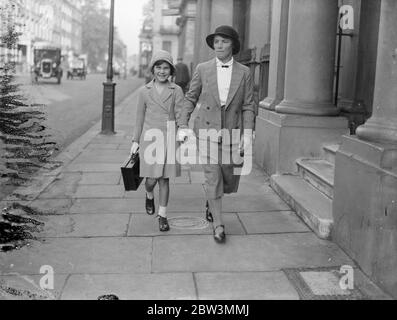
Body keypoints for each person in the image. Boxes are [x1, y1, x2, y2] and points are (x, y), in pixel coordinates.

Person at [177, 25, 256, 243]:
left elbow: (248, 105)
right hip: (206, 130)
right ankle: (218, 225)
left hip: (231, 131)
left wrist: (247, 135)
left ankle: (211, 200)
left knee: (228, 178)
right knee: (213, 177)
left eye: (224, 41)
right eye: (216, 42)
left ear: (233, 45)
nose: (219, 45)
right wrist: (183, 124)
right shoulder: (203, 69)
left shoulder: (245, 72)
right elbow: (191, 97)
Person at [130, 50, 184, 232]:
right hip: (150, 140)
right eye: (158, 67)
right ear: (153, 69)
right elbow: (139, 119)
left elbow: (180, 114)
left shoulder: (176, 90)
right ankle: (148, 193)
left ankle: (162, 216)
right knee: (151, 179)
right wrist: (135, 141)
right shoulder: (144, 92)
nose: (162, 71)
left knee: (164, 180)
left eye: (166, 68)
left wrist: (183, 130)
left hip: (169, 138)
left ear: (171, 70)